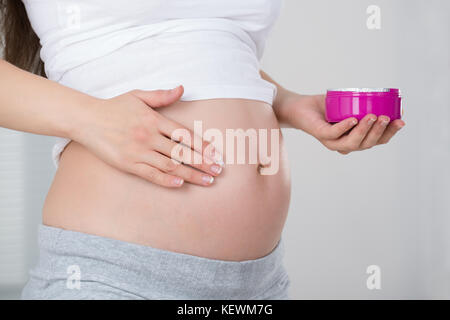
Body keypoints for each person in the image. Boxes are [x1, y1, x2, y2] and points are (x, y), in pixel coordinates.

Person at [0, 0, 404, 299]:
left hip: (258, 284)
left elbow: (204, 46)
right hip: (114, 276)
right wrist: (90, 117)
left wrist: (287, 103)